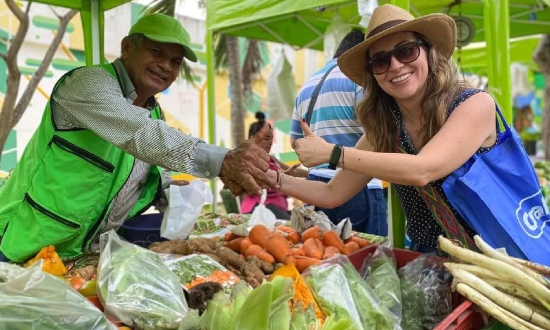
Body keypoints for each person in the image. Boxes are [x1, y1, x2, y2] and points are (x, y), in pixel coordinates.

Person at [0, 13, 277, 263]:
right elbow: (139, 134)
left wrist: (186, 198)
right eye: (156, 52)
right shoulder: (88, 84)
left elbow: (153, 168)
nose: (165, 66)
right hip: (19, 246)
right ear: (127, 47)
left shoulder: (154, 112)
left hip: (80, 257)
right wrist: (224, 160)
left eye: (175, 61)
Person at [268, 4, 502, 254]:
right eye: (380, 60)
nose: (396, 65)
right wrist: (272, 179)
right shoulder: (386, 126)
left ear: (429, 52)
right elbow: (332, 192)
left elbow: (423, 169)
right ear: (373, 74)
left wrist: (333, 153)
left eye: (406, 51)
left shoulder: (474, 103)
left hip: (498, 259)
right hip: (430, 264)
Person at [290, 29, 387, 235]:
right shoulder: (360, 79)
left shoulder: (307, 84)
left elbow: (296, 142)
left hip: (314, 186)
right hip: (358, 188)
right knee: (368, 260)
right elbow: (379, 134)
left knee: (324, 258)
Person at [241, 112, 307, 219]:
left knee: (301, 220)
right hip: (259, 205)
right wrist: (283, 175)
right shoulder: (248, 159)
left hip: (276, 205)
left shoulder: (271, 158)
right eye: (266, 139)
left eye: (271, 138)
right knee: (293, 226)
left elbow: (291, 171)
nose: (270, 143)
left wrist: (311, 174)